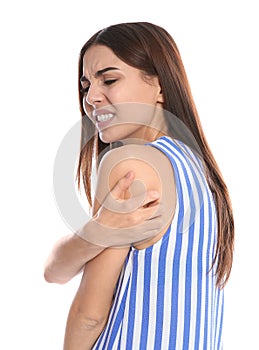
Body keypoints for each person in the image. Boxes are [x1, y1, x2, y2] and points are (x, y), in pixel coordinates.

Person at [44, 22, 234, 349]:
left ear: (159, 86)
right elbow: (54, 271)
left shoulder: (131, 165)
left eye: (110, 79)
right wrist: (99, 229)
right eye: (86, 85)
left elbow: (90, 316)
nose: (91, 97)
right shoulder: (204, 173)